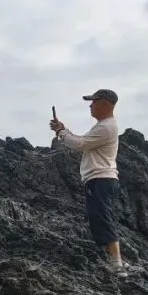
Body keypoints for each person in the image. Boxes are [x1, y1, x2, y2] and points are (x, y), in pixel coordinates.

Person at [49, 88, 128, 275]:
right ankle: (117, 260)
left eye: (94, 101)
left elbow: (79, 144)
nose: (91, 105)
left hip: (100, 178)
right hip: (103, 179)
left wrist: (60, 131)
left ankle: (116, 264)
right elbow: (83, 141)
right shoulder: (105, 126)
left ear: (105, 103)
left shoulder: (106, 127)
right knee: (103, 217)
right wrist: (64, 130)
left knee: (102, 218)